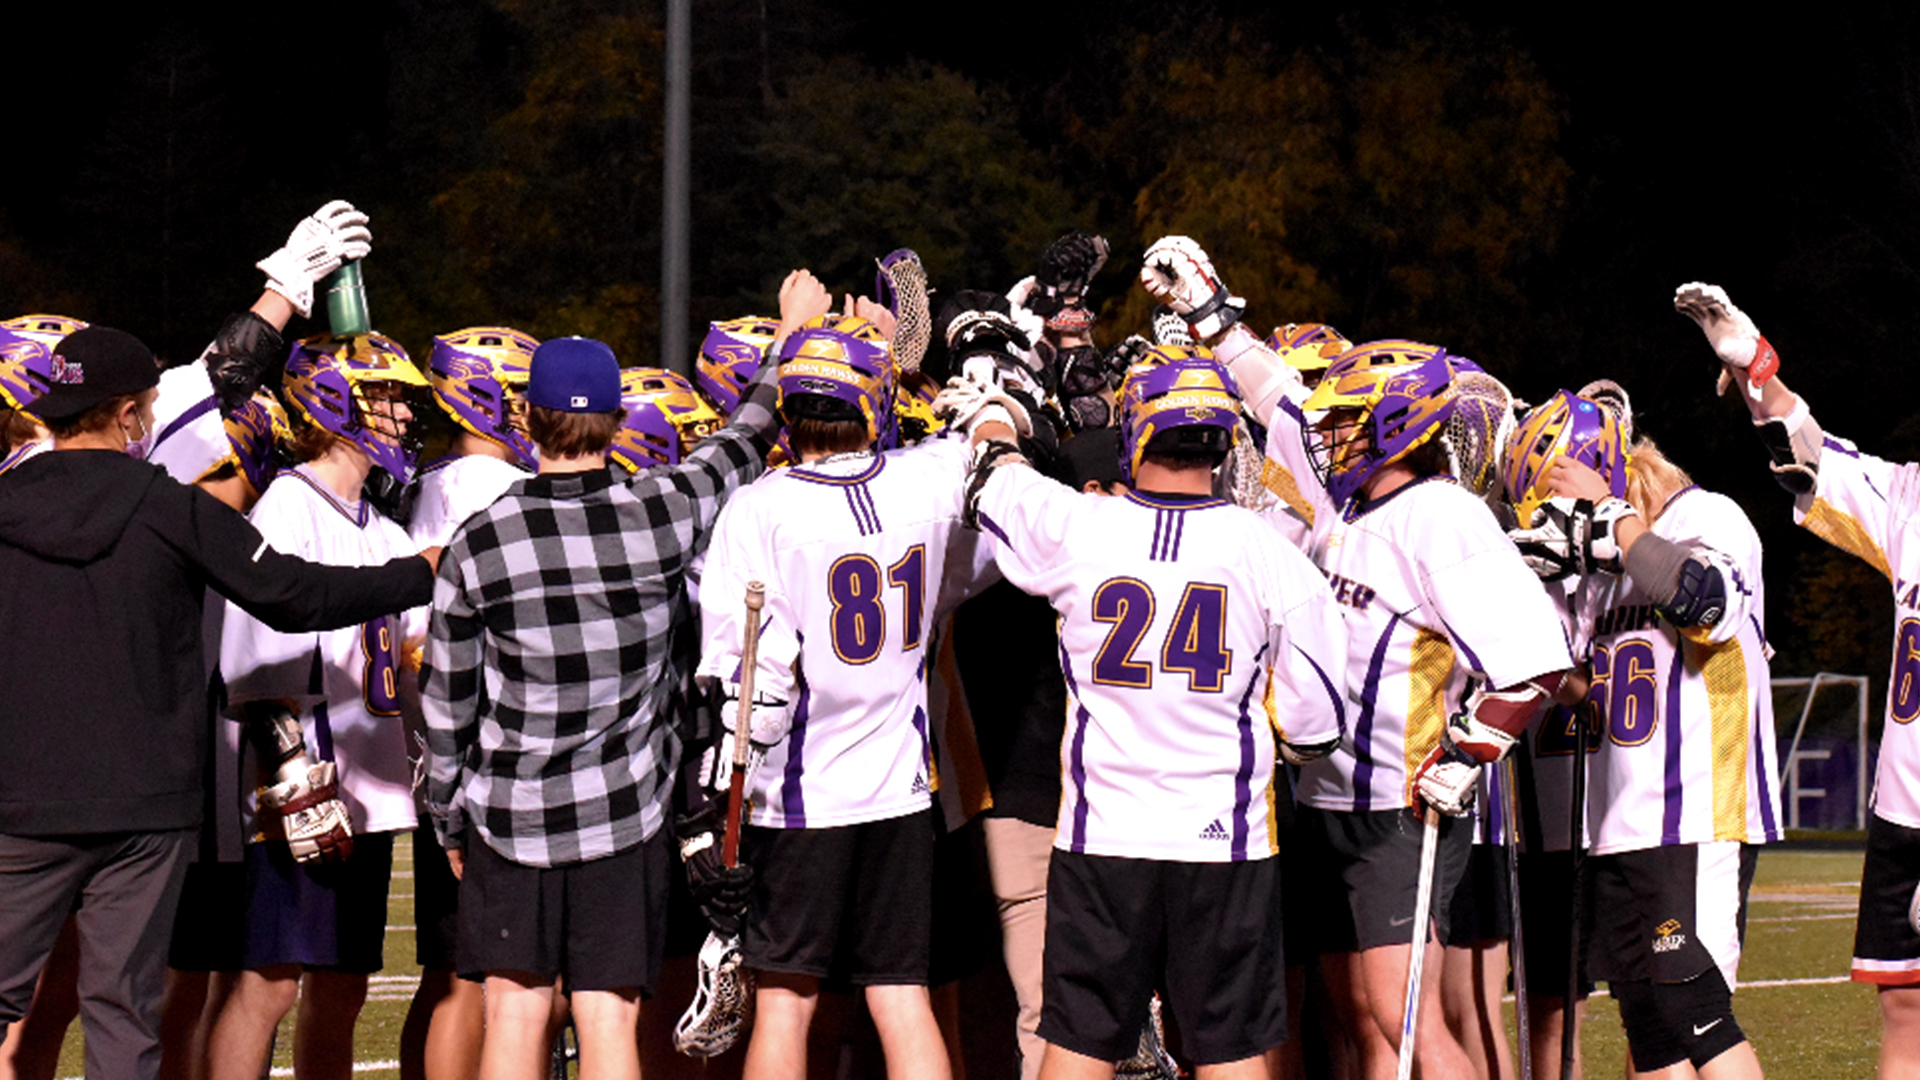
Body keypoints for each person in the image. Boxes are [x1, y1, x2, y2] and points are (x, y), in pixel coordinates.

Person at [0, 325, 435, 1080]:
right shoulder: (168, 505)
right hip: (145, 802)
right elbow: (295, 594)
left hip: (19, 797)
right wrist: (417, 572)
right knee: (123, 1007)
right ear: (131, 413)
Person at [423, 274, 800, 1080]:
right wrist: (790, 339)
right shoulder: (657, 512)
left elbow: (447, 705)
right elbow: (742, 440)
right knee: (608, 1023)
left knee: (514, 1021)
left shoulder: (479, 541)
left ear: (526, 420)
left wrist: (449, 820)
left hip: (509, 814)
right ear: (617, 422)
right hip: (623, 817)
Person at [955, 349, 1348, 1080]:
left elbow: (993, 477)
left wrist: (992, 411)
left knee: (1075, 1046)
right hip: (1222, 840)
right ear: (1226, 437)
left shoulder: (1082, 527)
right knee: (1231, 1054)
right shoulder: (1273, 558)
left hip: (1103, 836)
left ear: (1138, 429)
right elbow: (1316, 727)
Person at [692, 305, 994, 1080]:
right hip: (900, 793)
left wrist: (716, 813)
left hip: (799, 799)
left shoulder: (760, 508)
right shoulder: (928, 478)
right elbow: (982, 531)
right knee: (903, 998)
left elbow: (748, 686)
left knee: (786, 1003)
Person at [1282, 340, 1575, 1080]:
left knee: (1403, 1016)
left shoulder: (1440, 512)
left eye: (1346, 419)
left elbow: (1537, 660)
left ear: (1395, 421)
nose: (1330, 435)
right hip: (1331, 795)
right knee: (1361, 1017)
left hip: (1397, 800)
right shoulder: (1355, 512)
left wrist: (1470, 749)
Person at [1675, 281, 1918, 1076]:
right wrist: (1757, 371)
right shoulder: (1914, 498)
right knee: (1905, 1001)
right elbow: (1810, 457)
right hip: (1905, 801)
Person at [207, 331, 434, 1080]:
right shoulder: (287, 509)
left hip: (368, 793)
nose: (402, 411)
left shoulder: (383, 525)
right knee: (268, 983)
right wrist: (293, 782)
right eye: (387, 394)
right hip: (301, 786)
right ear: (336, 400)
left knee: (343, 987)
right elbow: (249, 663)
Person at [400, 324, 542, 1080]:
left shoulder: (429, 482)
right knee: (480, 977)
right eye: (517, 392)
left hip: (442, 750)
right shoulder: (497, 490)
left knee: (450, 972)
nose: (528, 409)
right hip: (494, 751)